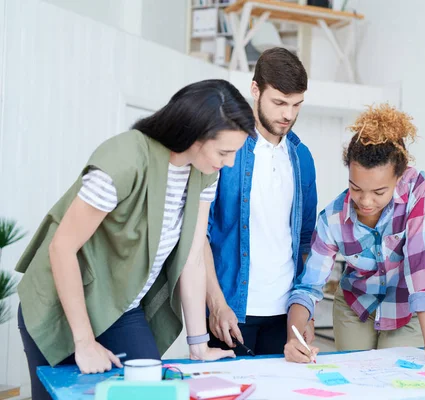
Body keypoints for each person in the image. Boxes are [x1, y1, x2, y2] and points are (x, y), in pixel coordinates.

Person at [14, 79, 256, 399]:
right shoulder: (125, 158)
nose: (229, 163)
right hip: (61, 302)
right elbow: (62, 247)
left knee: (148, 392)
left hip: (122, 307)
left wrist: (198, 344)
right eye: (224, 152)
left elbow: (193, 257)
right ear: (195, 134)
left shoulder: (205, 173)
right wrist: (84, 342)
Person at [284, 104, 425, 368]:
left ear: (399, 177)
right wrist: (294, 337)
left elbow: (419, 267)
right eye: (355, 188)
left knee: (398, 379)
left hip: (405, 308)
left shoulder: (415, 188)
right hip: (355, 305)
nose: (366, 201)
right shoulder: (332, 218)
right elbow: (308, 287)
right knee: (358, 378)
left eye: (379, 192)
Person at [206, 47, 318, 356]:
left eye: (297, 105)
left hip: (284, 316)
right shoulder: (226, 151)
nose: (288, 115)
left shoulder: (302, 158)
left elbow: (308, 240)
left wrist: (305, 311)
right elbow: (199, 234)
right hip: (230, 312)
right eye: (279, 102)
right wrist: (216, 304)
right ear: (255, 90)